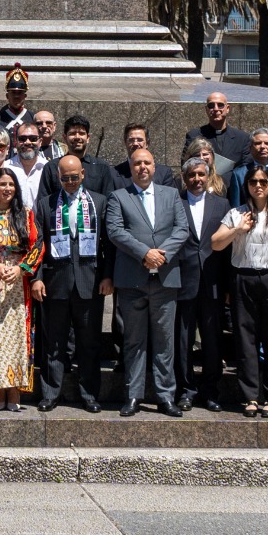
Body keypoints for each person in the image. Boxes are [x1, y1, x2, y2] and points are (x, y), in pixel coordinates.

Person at [212, 162, 268, 417]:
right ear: (246, 186)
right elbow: (216, 244)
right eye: (253, 182)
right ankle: (250, 396)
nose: (258, 186)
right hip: (243, 278)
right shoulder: (236, 214)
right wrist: (238, 230)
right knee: (245, 339)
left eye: (263, 182)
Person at [106, 148, 188, 417]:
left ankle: (166, 397)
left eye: (147, 163)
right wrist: (145, 253)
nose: (142, 167)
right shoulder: (119, 197)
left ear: (155, 167)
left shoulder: (171, 194)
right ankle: (133, 395)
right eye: (137, 163)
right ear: (130, 168)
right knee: (134, 341)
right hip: (133, 281)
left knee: (165, 342)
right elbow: (116, 231)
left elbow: (182, 229)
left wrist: (161, 255)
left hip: (165, 280)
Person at [32, 155, 112, 412]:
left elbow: (108, 245)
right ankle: (50, 393)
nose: (70, 182)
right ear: (58, 177)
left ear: (83, 175)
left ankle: (89, 394)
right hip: (56, 282)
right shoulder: (46, 204)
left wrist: (108, 276)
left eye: (74, 177)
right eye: (65, 178)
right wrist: (37, 278)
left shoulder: (99, 203)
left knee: (88, 343)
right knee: (53, 342)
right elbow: (37, 245)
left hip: (90, 283)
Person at [0, 168, 42, 410]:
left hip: (19, 282)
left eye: (11, 184)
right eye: (2, 184)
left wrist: (21, 268)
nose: (7, 188)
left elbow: (38, 245)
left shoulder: (25, 215)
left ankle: (14, 390)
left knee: (18, 335)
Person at [174, 157, 230, 412]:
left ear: (208, 176)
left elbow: (227, 249)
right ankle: (186, 390)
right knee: (183, 341)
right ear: (184, 179)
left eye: (201, 174)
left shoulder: (222, 205)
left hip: (213, 283)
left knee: (212, 341)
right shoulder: (176, 202)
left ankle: (211, 391)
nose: (197, 179)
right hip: (183, 282)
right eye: (192, 175)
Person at [183, 92, 251, 169]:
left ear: (227, 108)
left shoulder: (242, 138)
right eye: (211, 105)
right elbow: (186, 166)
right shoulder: (193, 136)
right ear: (206, 109)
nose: (216, 109)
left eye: (220, 105)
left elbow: (245, 169)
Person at [227, 129, 268, 207]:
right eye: (258, 143)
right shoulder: (239, 174)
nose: (262, 146)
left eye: (267, 143)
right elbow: (236, 206)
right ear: (250, 149)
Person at [61, 115, 116, 197]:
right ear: (65, 138)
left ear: (88, 138)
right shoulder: (52, 167)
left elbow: (109, 200)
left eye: (81, 133)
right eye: (72, 133)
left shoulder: (102, 167)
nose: (77, 137)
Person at [3, 124, 51, 211]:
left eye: (33, 139)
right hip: (11, 223)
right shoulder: (5, 168)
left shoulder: (48, 168)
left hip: (42, 224)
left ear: (40, 142)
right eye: (22, 139)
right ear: (15, 141)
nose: (27, 142)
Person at [0, 64, 32, 132]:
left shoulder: (31, 117)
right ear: (7, 96)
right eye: (13, 93)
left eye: (20, 93)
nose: (16, 97)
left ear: (25, 96)